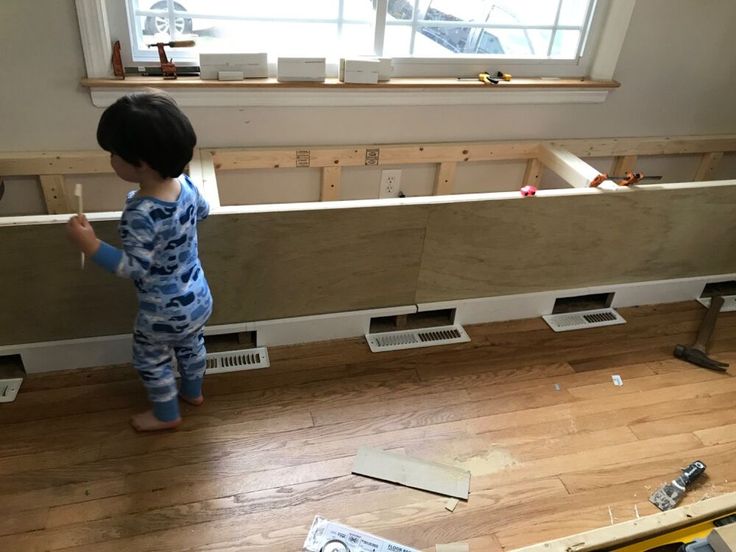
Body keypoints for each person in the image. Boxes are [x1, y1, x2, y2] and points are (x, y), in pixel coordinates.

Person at [67, 91, 213, 432]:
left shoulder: (141, 213)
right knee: (192, 346)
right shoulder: (185, 185)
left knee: (151, 358)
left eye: (114, 154)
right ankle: (193, 393)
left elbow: (132, 267)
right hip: (198, 297)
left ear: (142, 163)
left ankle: (166, 414)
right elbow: (203, 212)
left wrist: (90, 244)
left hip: (162, 311)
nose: (111, 160)